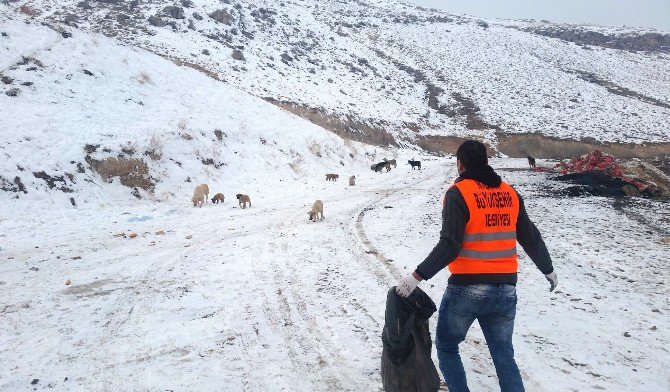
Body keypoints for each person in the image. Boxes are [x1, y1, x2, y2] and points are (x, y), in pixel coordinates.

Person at [395, 140, 557, 392]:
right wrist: (548, 269)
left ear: (460, 164)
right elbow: (530, 236)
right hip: (505, 289)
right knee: (504, 355)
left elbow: (450, 245)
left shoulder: (458, 193)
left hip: (466, 289)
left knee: (448, 347)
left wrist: (416, 277)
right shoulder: (509, 193)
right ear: (486, 161)